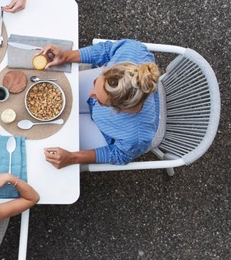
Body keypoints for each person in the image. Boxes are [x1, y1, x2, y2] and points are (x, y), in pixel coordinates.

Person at [42, 39, 162, 169]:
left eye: (100, 100)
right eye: (96, 82)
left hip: (103, 133)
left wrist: (72, 158)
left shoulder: (137, 137)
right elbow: (106, 50)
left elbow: (119, 155)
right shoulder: (133, 51)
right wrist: (66, 56)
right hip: (106, 108)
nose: (90, 94)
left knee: (54, 142)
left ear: (119, 109)